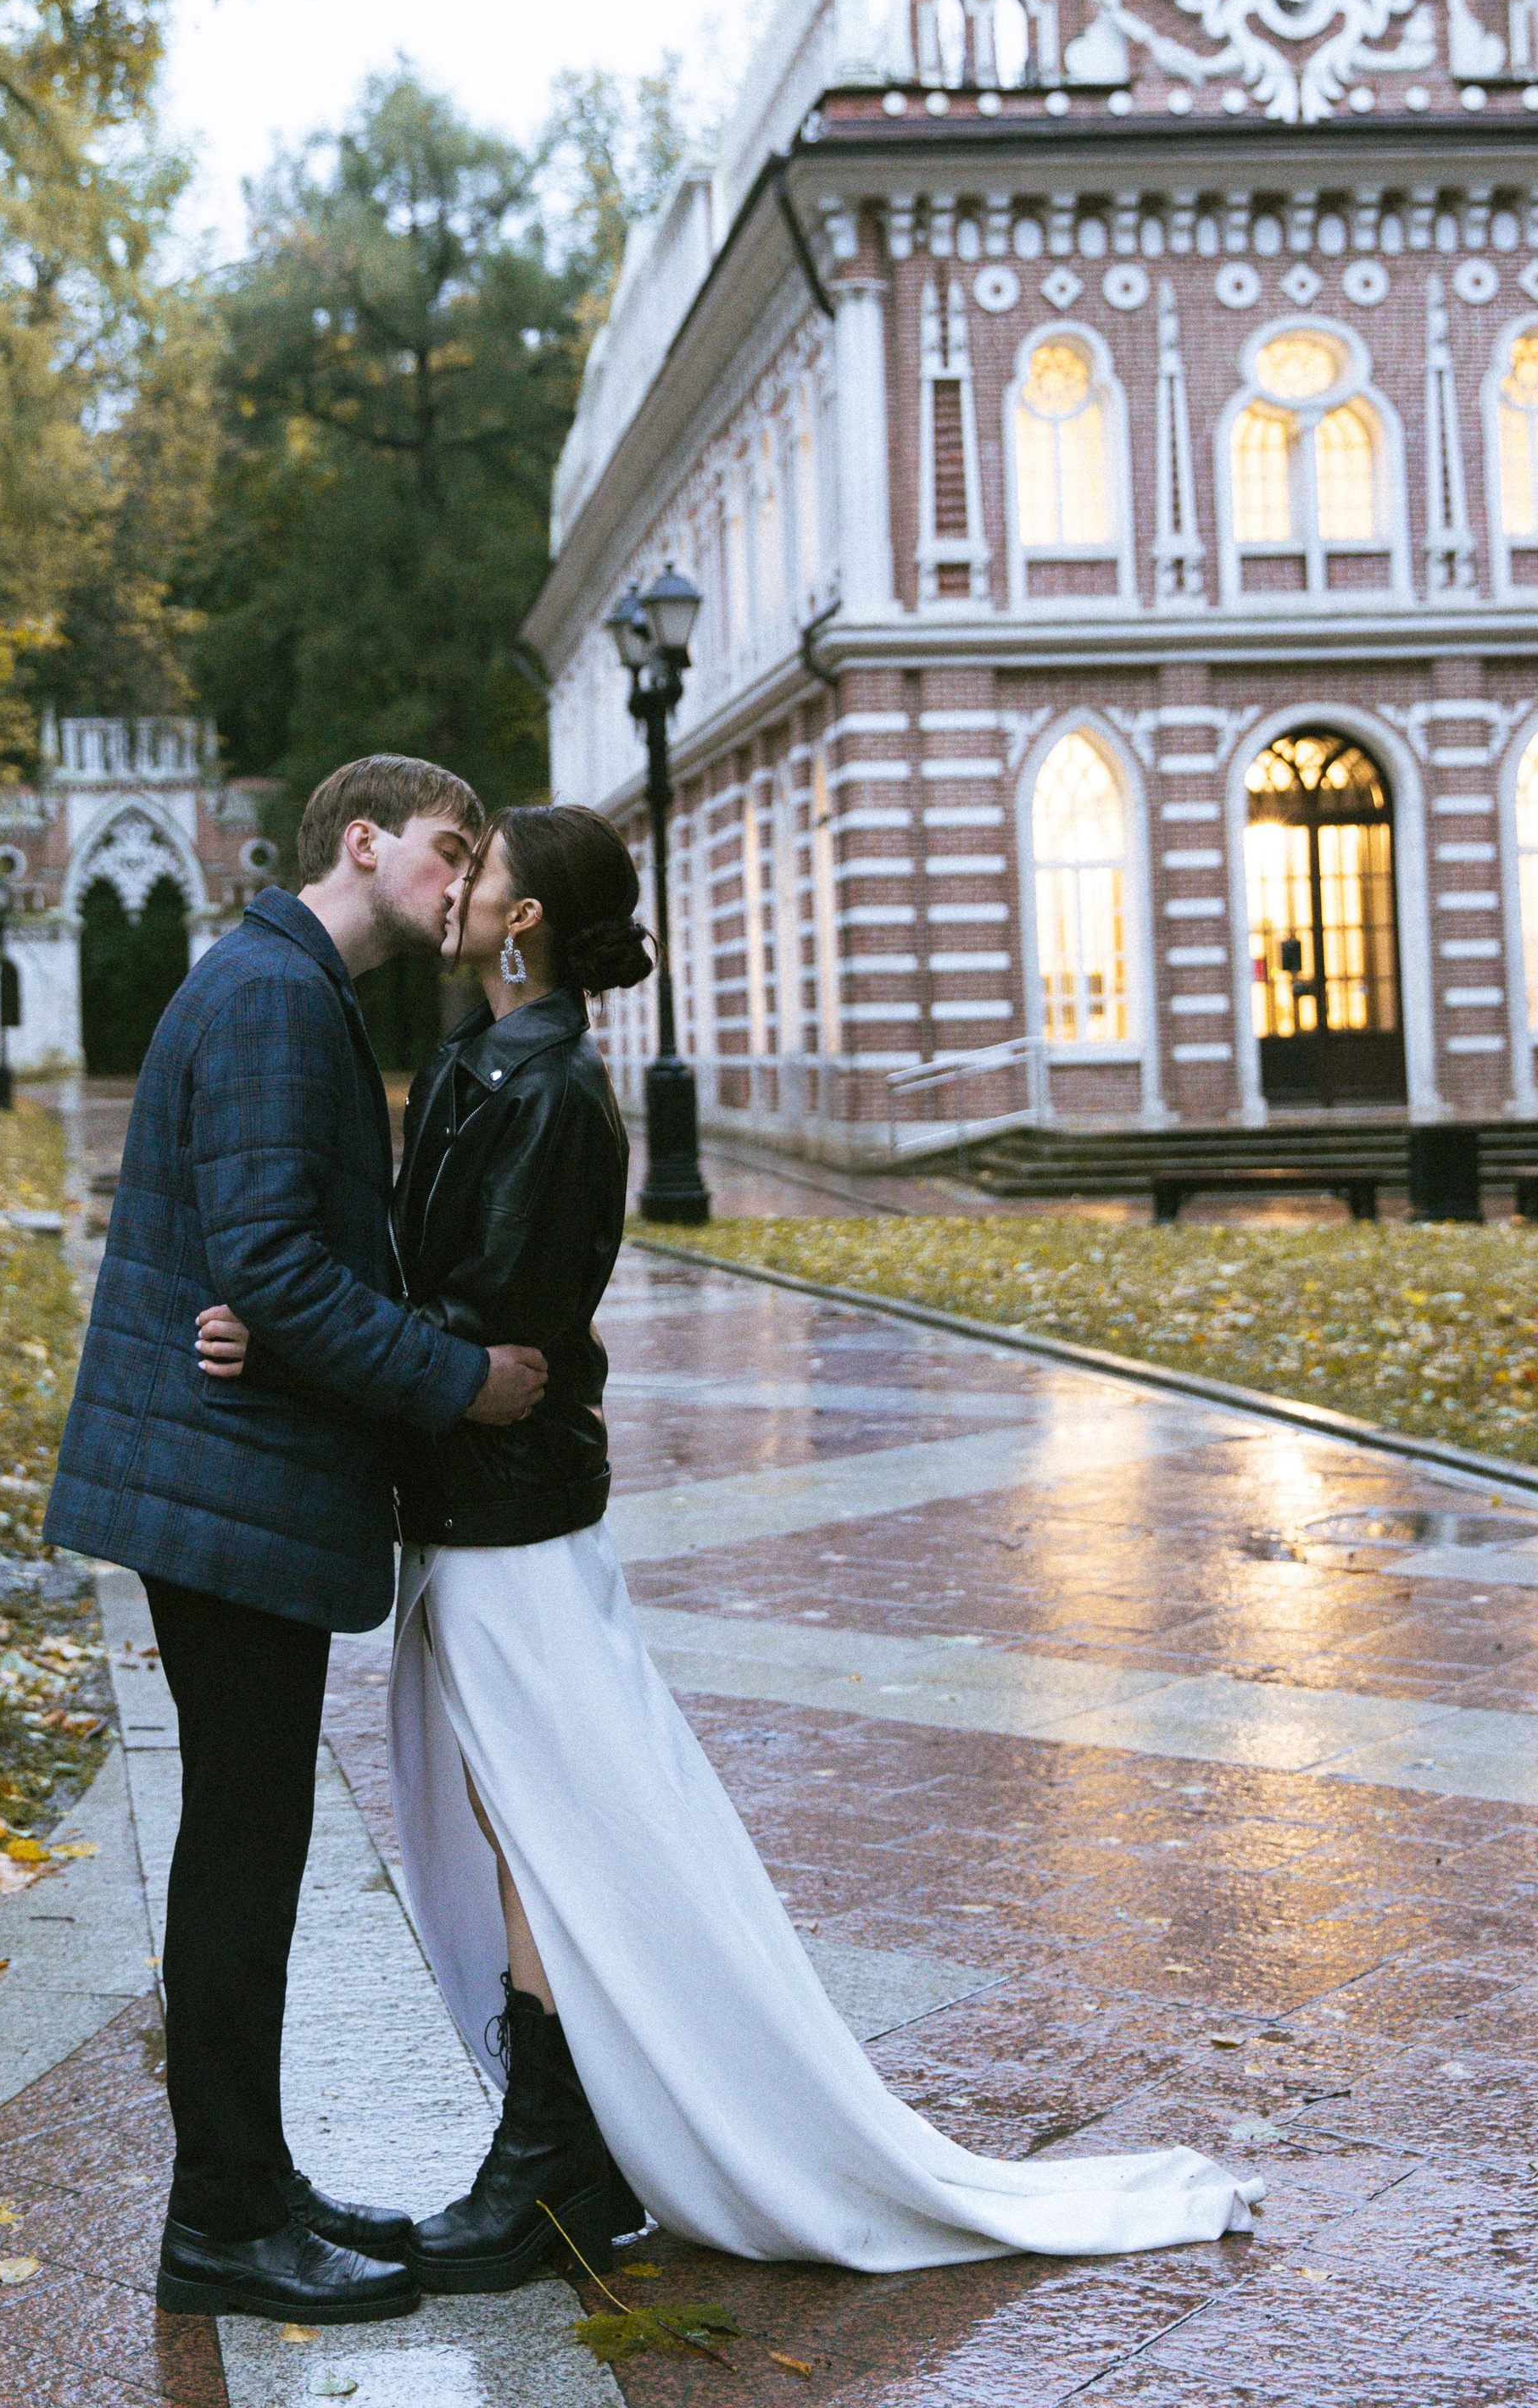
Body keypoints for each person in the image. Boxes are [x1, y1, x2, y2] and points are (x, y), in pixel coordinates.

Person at [198, 801, 1258, 2287]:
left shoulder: (557, 1091)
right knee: (526, 1824)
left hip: (512, 1521)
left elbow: (492, 1324)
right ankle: (561, 2148)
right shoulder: (471, 1063)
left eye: (482, 873)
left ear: (523, 923)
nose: (455, 893)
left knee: (554, 1829)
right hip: (457, 1510)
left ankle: (553, 2163)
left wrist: (296, 1343)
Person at [43, 755, 550, 2327]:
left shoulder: (286, 984)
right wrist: (461, 1383)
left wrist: (270, 1314)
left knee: (252, 1838)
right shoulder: (272, 995)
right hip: (220, 1488)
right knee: (246, 1846)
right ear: (363, 842)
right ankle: (219, 2221)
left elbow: (261, 1256)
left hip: (227, 1469)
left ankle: (253, 2185)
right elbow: (268, 1253)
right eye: (447, 851)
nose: (462, 883)